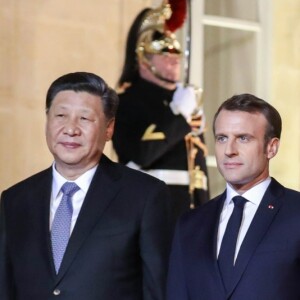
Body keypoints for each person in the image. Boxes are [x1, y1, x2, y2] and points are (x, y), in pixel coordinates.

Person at [0, 72, 172, 300]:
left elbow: (159, 290)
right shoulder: (15, 199)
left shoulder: (145, 195)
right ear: (48, 119)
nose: (70, 129)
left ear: (109, 128)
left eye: (84, 119)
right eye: (60, 115)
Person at [167, 93, 300, 300]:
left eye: (243, 138)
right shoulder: (189, 224)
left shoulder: (296, 213)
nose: (229, 150)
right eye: (222, 138)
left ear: (271, 147)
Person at [112, 0, 209, 227]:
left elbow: (198, 174)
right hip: (151, 216)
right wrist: (178, 115)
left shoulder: (183, 102)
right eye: (164, 52)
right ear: (144, 60)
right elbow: (142, 154)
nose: (173, 58)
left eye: (176, 51)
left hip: (192, 220)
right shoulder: (126, 102)